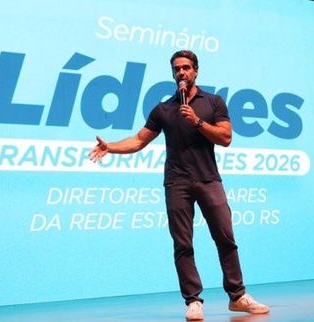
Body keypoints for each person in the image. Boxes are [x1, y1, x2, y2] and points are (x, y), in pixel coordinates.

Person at [89, 50, 270, 321]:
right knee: (182, 244)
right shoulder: (163, 109)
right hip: (177, 182)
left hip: (209, 179)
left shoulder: (214, 102)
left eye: (186, 67)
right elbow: (138, 140)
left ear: (196, 71)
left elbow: (225, 137)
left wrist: (197, 121)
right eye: (177, 69)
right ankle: (193, 300)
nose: (181, 73)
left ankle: (237, 296)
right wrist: (110, 147)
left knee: (226, 238)